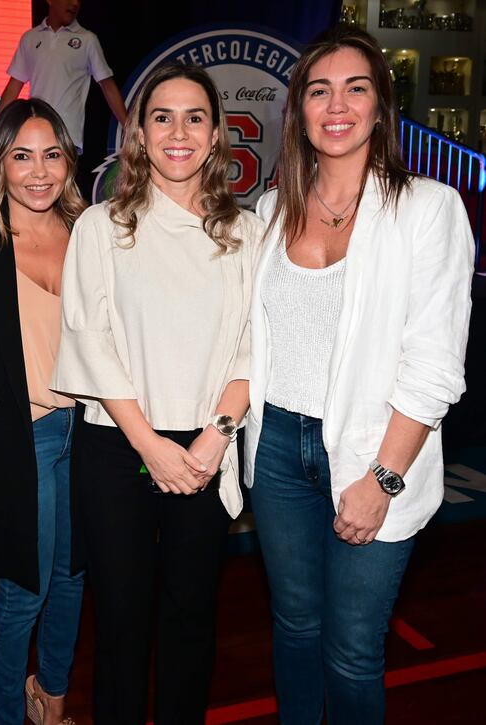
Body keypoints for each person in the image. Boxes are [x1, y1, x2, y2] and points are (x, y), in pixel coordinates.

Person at [245, 26, 474, 724]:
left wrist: (383, 479)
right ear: (300, 109)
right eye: (319, 90)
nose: (336, 104)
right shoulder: (269, 208)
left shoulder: (428, 209)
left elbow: (435, 366)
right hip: (278, 447)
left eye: (356, 88)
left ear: (381, 107)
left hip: (375, 452)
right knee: (295, 628)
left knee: (350, 650)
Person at [51, 62, 265, 724]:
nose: (179, 132)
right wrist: (152, 444)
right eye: (162, 117)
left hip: (207, 448)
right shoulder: (101, 226)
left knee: (191, 618)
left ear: (217, 132)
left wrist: (210, 440)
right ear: (139, 133)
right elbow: (90, 340)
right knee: (119, 622)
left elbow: (256, 350)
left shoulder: (249, 232)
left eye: (194, 116)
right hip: (118, 448)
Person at [0, 98, 86, 725]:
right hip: (19, 440)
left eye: (51, 155)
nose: (38, 171)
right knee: (23, 592)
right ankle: (6, 715)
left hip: (87, 435)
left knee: (74, 579)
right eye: (21, 155)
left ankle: (50, 700)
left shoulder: (91, 234)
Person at [0, 0, 127, 157]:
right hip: (35, 131)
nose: (74, 4)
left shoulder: (87, 40)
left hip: (66, 136)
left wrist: (129, 127)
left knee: (60, 180)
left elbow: (108, 86)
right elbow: (14, 86)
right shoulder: (30, 38)